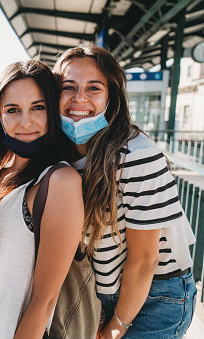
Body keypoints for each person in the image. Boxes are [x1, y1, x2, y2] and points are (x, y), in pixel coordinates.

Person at [53, 45, 197, 339]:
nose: (79, 97)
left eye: (94, 88)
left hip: (156, 295)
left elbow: (145, 261)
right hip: (107, 289)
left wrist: (117, 325)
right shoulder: (63, 155)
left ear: (111, 97)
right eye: (68, 87)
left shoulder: (137, 155)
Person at [0, 60, 84, 339]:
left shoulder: (59, 181)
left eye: (38, 107)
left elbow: (43, 301)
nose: (26, 122)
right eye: (13, 110)